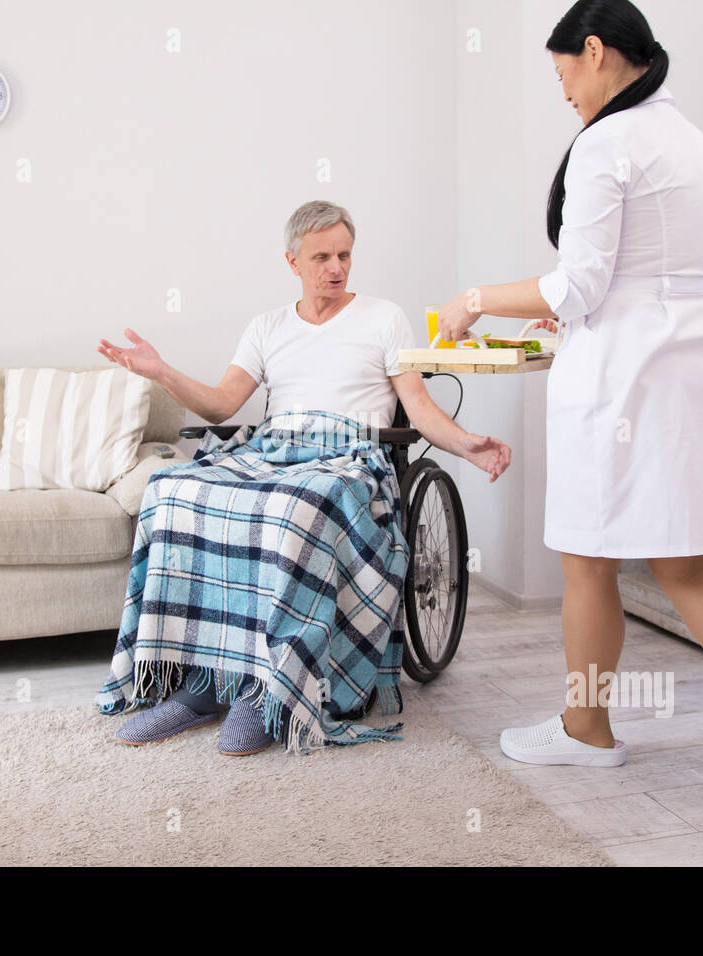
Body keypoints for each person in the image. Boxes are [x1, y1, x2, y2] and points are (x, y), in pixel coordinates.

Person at [436, 0, 703, 800]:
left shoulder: (607, 142)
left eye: (562, 74)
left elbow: (580, 283)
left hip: (624, 380)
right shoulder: (691, 141)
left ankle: (587, 731)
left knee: (587, 556)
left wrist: (475, 298)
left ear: (594, 51)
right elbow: (645, 272)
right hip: (690, 367)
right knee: (686, 563)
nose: (563, 93)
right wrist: (588, 301)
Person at [95, 199, 510, 755]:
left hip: (350, 458)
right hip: (276, 447)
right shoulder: (267, 326)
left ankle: (267, 689)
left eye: (344, 255)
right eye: (321, 257)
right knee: (172, 490)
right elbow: (221, 406)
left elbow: (421, 405)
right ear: (292, 261)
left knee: (297, 507)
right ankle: (201, 684)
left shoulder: (384, 317)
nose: (336, 267)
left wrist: (467, 444)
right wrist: (161, 371)